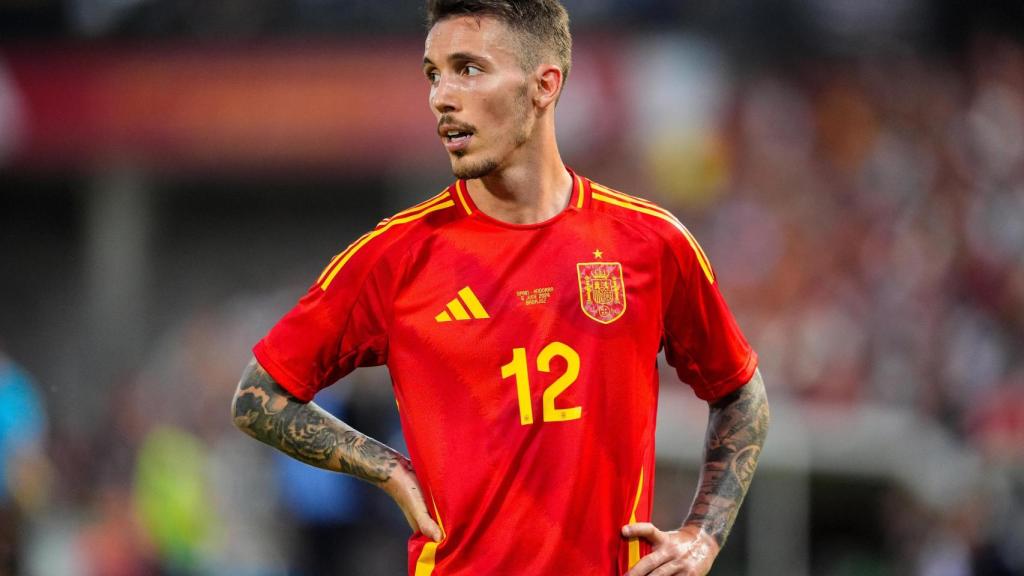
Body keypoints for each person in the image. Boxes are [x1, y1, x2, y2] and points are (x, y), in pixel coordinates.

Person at [231, 1, 770, 574]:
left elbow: (740, 393)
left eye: (468, 69)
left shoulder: (651, 243)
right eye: (433, 74)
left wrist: (702, 536)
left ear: (544, 85)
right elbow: (258, 396)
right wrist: (386, 466)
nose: (442, 96)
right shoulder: (395, 257)